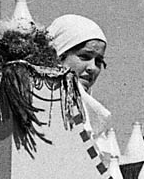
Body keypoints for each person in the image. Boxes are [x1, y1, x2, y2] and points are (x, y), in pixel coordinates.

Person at [47, 14, 114, 146]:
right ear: (60, 55)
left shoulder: (93, 116)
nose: (92, 68)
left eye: (99, 61)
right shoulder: (44, 107)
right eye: (84, 56)